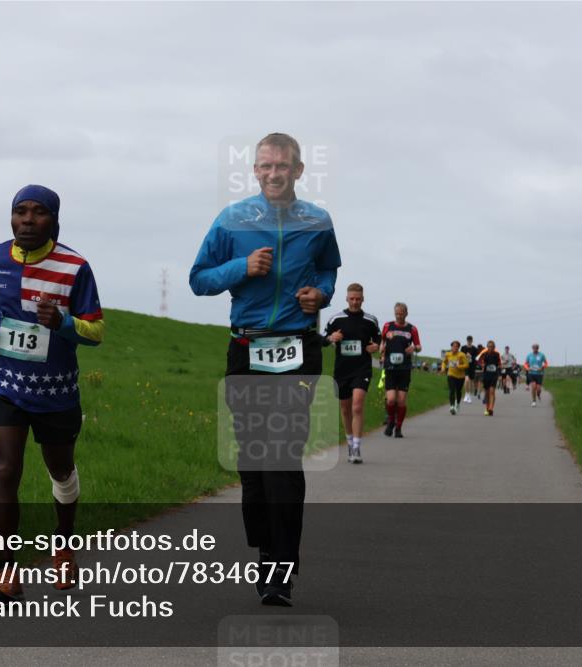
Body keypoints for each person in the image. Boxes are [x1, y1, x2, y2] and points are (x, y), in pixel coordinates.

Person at [189, 132, 341, 607]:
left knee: (281, 459)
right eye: (264, 166)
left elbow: (329, 269)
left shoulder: (317, 220)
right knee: (253, 464)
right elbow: (198, 280)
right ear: (254, 171)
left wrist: (322, 294)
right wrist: (241, 268)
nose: (273, 174)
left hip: (298, 348)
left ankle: (280, 568)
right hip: (246, 348)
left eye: (283, 166)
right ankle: (265, 543)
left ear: (299, 170)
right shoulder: (233, 220)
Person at [0, 184, 104, 602]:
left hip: (56, 391)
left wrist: (62, 323)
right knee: (7, 470)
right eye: (20, 212)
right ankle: (6, 572)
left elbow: (96, 331)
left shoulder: (75, 266)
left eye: (38, 213)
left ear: (54, 219)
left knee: (60, 470)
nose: (27, 220)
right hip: (5, 384)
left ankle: (63, 544)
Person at [324, 284, 380, 463]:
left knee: (357, 405)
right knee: (345, 409)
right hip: (342, 369)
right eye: (352, 299)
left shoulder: (371, 321)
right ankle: (349, 441)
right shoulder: (336, 319)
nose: (355, 302)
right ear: (347, 299)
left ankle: (356, 447)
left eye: (358, 299)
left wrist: (375, 346)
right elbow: (324, 338)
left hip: (362, 368)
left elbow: (378, 341)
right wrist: (332, 338)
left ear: (363, 299)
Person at [380, 302, 421, 438]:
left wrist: (414, 348)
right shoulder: (387, 326)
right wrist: (381, 348)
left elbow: (419, 346)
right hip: (390, 367)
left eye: (401, 313)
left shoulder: (412, 329)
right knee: (391, 399)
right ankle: (391, 421)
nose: (399, 316)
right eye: (397, 313)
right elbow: (382, 340)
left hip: (404, 368)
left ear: (406, 313)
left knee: (401, 401)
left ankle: (398, 428)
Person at [441, 341, 470, 414]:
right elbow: (444, 362)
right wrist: (443, 368)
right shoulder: (448, 354)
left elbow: (466, 365)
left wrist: (459, 366)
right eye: (453, 346)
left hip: (460, 376)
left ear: (458, 347)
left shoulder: (462, 355)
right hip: (451, 374)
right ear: (451, 347)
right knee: (452, 390)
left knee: (458, 391)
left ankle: (458, 404)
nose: (454, 348)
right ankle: (452, 406)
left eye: (456, 346)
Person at [475, 340, 502, 416]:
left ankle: (491, 408)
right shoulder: (484, 354)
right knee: (487, 393)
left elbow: (499, 365)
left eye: (492, 347)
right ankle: (487, 408)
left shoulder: (497, 354)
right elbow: (477, 360)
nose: (491, 348)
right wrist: (482, 365)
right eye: (489, 346)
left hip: (494, 375)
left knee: (492, 391)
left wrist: (499, 375)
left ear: (494, 347)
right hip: (486, 375)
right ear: (487, 347)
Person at [461, 336, 480, 403]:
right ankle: (466, 394)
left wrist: (471, 356)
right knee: (466, 380)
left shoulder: (474, 348)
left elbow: (477, 358)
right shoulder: (463, 348)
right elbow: (461, 356)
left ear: (472, 341)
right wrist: (466, 356)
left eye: (470, 340)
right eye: (468, 340)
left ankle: (469, 395)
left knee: (471, 382)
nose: (469, 341)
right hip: (465, 366)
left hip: (472, 366)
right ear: (467, 340)